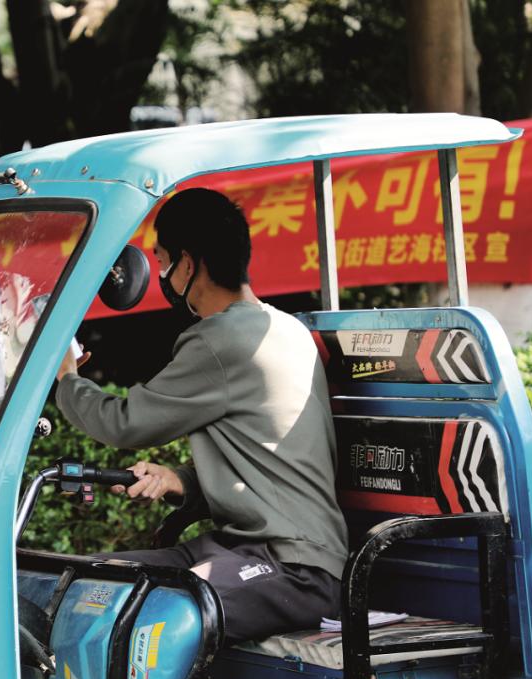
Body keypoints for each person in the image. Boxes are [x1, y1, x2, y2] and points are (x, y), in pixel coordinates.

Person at [54, 188, 347, 649]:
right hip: (241, 549)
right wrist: (181, 482)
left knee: (157, 623)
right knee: (92, 584)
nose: (165, 276)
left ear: (189, 265)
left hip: (293, 566)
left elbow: (124, 423)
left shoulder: (219, 339)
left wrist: (65, 377)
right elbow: (270, 459)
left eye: (165, 262)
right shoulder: (284, 327)